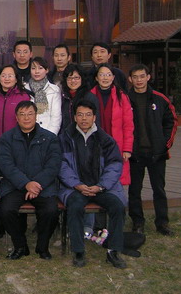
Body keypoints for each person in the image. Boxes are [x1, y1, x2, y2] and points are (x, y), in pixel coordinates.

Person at [58, 100, 127, 269]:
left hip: (101, 187)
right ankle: (78, 251)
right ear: (74, 117)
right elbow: (61, 165)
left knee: (118, 206)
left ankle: (113, 250)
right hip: (75, 187)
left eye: (88, 115)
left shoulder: (105, 139)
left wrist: (101, 186)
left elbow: (115, 164)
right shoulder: (65, 138)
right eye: (80, 115)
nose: (84, 119)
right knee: (75, 207)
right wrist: (77, 185)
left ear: (94, 117)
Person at [0, 101, 61, 260]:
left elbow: (53, 165)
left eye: (30, 114)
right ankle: (20, 246)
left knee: (51, 210)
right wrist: (26, 183)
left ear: (36, 116)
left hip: (42, 186)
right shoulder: (7, 138)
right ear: (16, 117)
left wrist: (36, 184)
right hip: (15, 186)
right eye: (22, 114)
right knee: (6, 210)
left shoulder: (49, 138)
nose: (26, 118)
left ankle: (42, 247)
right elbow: (6, 165)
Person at [127, 64, 177, 236]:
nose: (139, 80)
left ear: (148, 77)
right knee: (134, 190)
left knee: (159, 189)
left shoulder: (160, 98)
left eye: (142, 76)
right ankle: (137, 222)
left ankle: (162, 223)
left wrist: (165, 144)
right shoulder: (125, 99)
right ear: (130, 79)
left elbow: (171, 121)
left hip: (157, 153)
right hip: (135, 153)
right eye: (135, 77)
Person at [90, 63, 134, 185]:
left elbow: (128, 125)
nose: (105, 78)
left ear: (113, 77)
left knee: (116, 179)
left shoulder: (122, 96)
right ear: (96, 78)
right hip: (95, 143)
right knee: (95, 178)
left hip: (116, 144)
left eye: (108, 75)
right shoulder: (89, 96)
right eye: (101, 75)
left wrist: (127, 149)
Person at [0, 65, 32, 137]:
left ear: (16, 79)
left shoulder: (24, 97)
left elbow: (26, 120)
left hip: (16, 139)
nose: (6, 79)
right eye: (3, 76)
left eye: (10, 76)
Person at [25, 57, 62, 135]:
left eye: (40, 68)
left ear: (47, 70)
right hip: (28, 134)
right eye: (33, 68)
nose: (36, 71)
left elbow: (56, 117)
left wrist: (49, 137)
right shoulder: (25, 89)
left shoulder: (54, 90)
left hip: (47, 133)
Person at [60, 63, 99, 133]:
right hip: (66, 137)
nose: (73, 81)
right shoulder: (63, 97)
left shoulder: (90, 98)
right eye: (70, 78)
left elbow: (96, 123)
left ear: (82, 79)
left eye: (76, 78)